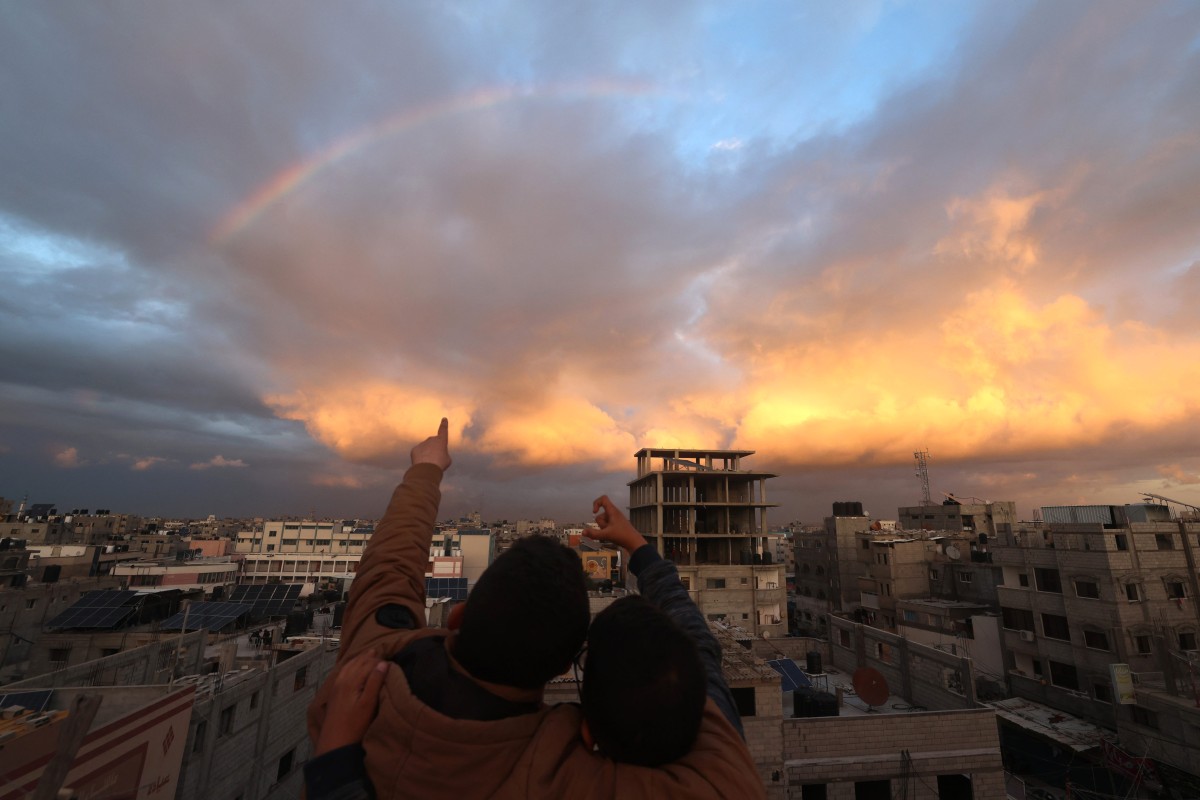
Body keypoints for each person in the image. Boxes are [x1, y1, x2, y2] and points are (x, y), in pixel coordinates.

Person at [306, 419, 763, 799]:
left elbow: (390, 564)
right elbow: (703, 666)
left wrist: (426, 470)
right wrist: (639, 548)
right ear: (563, 666)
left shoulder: (370, 670)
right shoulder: (558, 776)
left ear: (459, 616)